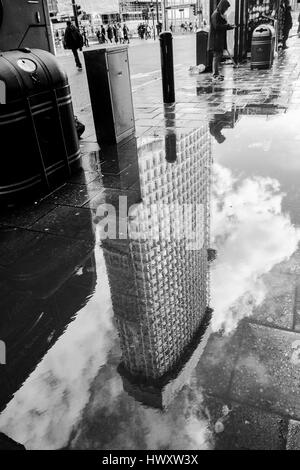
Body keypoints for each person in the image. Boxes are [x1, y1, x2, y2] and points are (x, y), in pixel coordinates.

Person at [209, 0, 235, 81]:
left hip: (217, 40)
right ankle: (215, 74)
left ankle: (216, 73)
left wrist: (229, 26)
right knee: (216, 56)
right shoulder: (216, 14)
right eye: (226, 8)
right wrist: (228, 26)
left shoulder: (218, 14)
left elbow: (221, 25)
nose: (226, 10)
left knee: (218, 56)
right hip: (215, 40)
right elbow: (217, 26)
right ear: (222, 6)